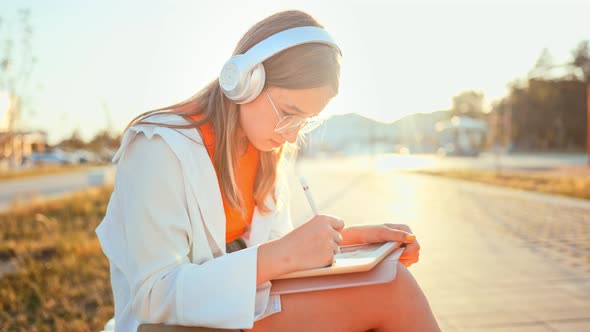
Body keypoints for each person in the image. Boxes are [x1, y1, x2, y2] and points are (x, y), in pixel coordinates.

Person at [96, 10, 440, 332]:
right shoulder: (158, 147)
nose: (292, 134)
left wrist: (352, 241)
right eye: (289, 112)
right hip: (173, 325)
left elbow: (275, 250)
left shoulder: (265, 149)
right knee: (390, 289)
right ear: (244, 80)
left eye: (304, 121)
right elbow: (153, 298)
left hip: (240, 310)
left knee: (386, 274)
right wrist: (286, 253)